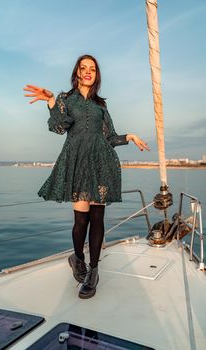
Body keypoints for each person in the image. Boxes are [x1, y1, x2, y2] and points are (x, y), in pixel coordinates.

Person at [23, 54, 149, 299]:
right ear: (78, 72)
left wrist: (129, 136)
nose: (88, 71)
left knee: (98, 216)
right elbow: (60, 126)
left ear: (96, 74)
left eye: (92, 68)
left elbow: (109, 137)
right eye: (84, 68)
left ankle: (94, 270)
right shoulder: (66, 99)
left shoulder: (101, 105)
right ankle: (77, 259)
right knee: (81, 220)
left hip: (101, 163)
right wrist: (50, 100)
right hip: (78, 163)